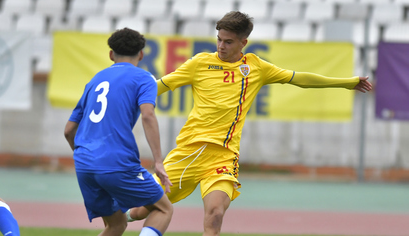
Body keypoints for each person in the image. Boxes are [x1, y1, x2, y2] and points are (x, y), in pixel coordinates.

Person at [125, 11, 373, 236]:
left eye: (228, 41)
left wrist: (346, 82)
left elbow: (299, 79)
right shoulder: (199, 63)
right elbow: (157, 87)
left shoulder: (256, 67)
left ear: (243, 42)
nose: (221, 45)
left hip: (223, 158)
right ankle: (118, 217)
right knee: (140, 211)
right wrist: (122, 95)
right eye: (219, 39)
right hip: (189, 152)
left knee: (215, 215)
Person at [64, 28, 173, 236]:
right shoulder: (144, 78)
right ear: (141, 54)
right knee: (163, 208)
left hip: (85, 163)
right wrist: (158, 161)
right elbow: (148, 115)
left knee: (116, 225)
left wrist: (86, 158)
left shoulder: (95, 80)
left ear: (111, 54)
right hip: (116, 162)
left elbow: (69, 130)